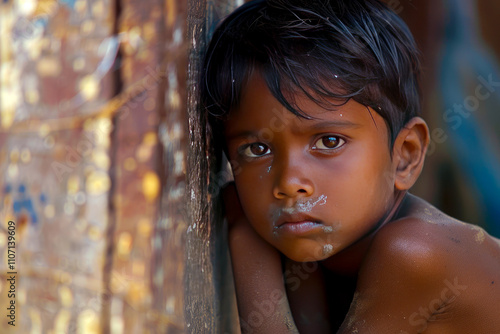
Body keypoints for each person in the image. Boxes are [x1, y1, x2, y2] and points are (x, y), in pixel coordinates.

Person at [200, 0, 500, 333]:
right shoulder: (322, 252)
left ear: (405, 156)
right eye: (257, 149)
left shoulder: (414, 253)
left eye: (329, 142)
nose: (289, 182)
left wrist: (246, 243)